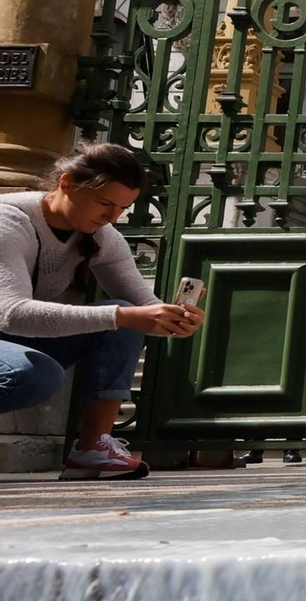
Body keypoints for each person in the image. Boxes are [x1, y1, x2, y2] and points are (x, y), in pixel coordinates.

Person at [0, 143, 203, 479]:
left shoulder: (103, 237)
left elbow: (143, 309)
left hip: (15, 338)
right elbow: (11, 313)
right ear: (66, 184)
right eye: (106, 203)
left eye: (123, 208)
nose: (112, 217)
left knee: (123, 314)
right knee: (31, 373)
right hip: (11, 328)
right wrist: (125, 317)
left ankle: (93, 449)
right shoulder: (10, 221)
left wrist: (174, 319)